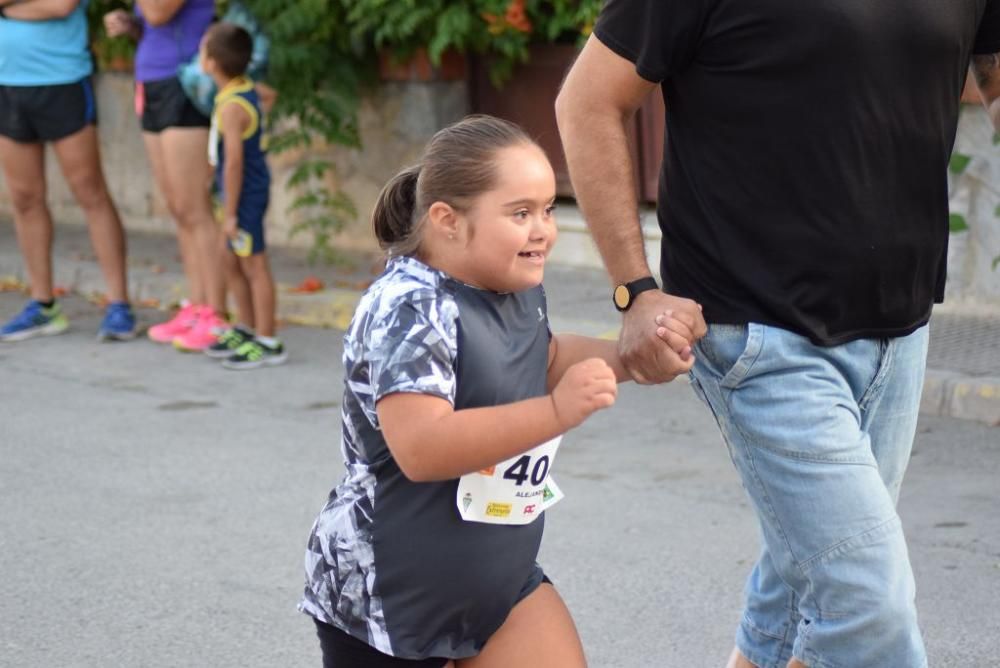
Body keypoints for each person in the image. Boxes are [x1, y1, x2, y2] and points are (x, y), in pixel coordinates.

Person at [555, 1, 1000, 667]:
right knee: (866, 606)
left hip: (902, 325)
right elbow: (588, 101)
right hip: (756, 331)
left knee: (801, 585)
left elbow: (992, 75)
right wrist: (635, 289)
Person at [298, 115, 694, 667]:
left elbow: (546, 356)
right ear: (447, 221)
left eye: (549, 209)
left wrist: (643, 353)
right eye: (520, 213)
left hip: (497, 581)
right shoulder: (409, 307)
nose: (543, 230)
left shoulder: (512, 285)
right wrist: (555, 411)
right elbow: (423, 447)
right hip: (390, 600)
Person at [0, 0, 136, 342]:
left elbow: (61, 6)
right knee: (25, 198)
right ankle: (43, 304)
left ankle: (119, 304)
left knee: (89, 191)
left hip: (62, 79)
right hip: (7, 82)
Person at [104, 0, 227, 351]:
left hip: (185, 84)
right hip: (152, 81)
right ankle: (196, 305)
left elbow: (160, 11)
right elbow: (156, 23)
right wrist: (131, 25)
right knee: (177, 206)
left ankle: (215, 313)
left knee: (195, 206)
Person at [197, 22, 285, 369]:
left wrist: (231, 213)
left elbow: (234, 162)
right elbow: (268, 96)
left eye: (203, 50)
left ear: (212, 63)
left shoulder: (232, 106)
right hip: (237, 193)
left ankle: (268, 340)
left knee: (253, 264)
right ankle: (246, 327)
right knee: (230, 259)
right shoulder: (243, 89)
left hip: (243, 195)